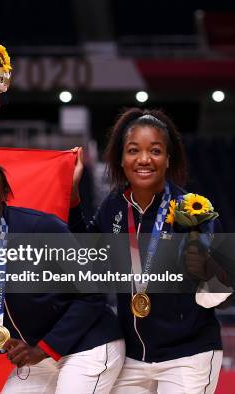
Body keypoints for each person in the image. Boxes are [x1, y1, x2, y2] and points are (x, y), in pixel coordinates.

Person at [69, 108, 232, 393]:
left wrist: (209, 272)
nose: (144, 159)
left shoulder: (193, 209)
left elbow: (224, 298)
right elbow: (84, 254)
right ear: (121, 158)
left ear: (168, 159)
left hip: (188, 355)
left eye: (155, 151)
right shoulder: (113, 206)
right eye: (133, 150)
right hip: (132, 357)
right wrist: (72, 193)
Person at [0, 160, 124, 394]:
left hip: (88, 344)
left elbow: (92, 294)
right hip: (39, 353)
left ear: (4, 193)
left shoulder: (40, 227)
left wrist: (43, 349)